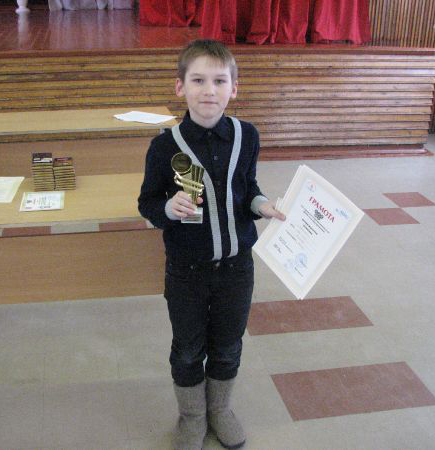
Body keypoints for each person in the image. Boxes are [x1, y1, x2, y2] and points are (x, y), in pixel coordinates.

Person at [138, 39, 285, 450]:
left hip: (237, 266)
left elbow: (248, 188)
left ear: (234, 88)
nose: (209, 90)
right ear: (180, 87)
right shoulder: (164, 146)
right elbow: (147, 204)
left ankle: (219, 410)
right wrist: (168, 208)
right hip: (186, 270)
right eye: (198, 80)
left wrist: (262, 205)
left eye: (220, 81)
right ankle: (192, 416)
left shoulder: (246, 136)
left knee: (228, 343)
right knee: (188, 348)